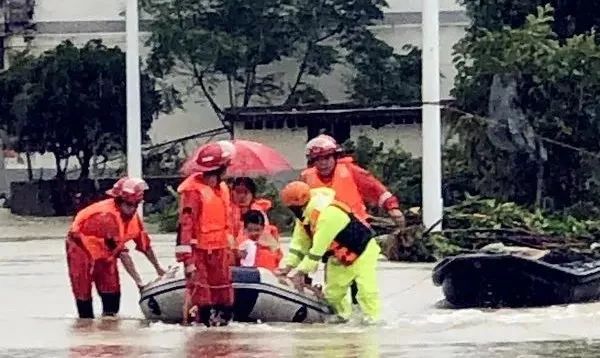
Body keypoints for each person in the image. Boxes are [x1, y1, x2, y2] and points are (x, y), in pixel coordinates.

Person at [300, 134, 405, 304]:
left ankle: (362, 318)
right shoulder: (306, 179)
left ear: (335, 157)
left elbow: (375, 188)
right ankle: (339, 317)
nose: (323, 163)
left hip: (358, 235)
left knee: (361, 285)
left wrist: (392, 208)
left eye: (327, 158)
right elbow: (301, 215)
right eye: (317, 159)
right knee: (335, 287)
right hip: (329, 239)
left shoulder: (350, 171)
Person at [277, 181, 381, 324]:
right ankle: (342, 319)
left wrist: (299, 273)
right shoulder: (304, 219)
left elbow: (317, 251)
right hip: (340, 257)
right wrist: (287, 267)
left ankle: (373, 321)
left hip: (363, 251)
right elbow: (299, 244)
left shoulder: (328, 214)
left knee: (366, 290)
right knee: (333, 295)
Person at [66, 177, 166, 319]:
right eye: (129, 205)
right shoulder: (106, 217)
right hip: (81, 249)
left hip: (107, 253)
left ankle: (109, 326)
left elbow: (145, 245)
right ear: (119, 202)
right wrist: (139, 283)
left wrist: (158, 268)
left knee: (112, 293)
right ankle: (86, 327)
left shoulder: (133, 217)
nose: (132, 209)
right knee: (83, 292)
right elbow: (123, 254)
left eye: (135, 205)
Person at [175, 141, 236, 327]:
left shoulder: (222, 189)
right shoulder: (193, 192)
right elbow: (185, 226)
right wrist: (188, 261)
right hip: (198, 252)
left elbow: (227, 222)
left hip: (219, 251)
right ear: (221, 168)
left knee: (224, 297)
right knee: (202, 297)